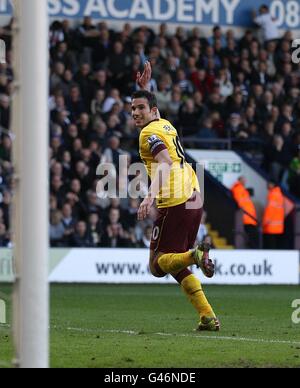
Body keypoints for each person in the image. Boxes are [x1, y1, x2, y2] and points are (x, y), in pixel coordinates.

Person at [132, 62, 220, 332]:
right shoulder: (164, 125)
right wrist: (144, 91)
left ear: (152, 111)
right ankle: (207, 316)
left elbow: (165, 162)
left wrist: (149, 197)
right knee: (176, 263)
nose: (135, 113)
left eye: (140, 108)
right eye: (133, 109)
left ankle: (196, 255)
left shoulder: (148, 133)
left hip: (175, 200)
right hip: (193, 195)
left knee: (158, 264)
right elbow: (155, 115)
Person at [231, 176, 259, 249]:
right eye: (244, 180)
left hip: (250, 218)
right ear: (239, 180)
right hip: (247, 218)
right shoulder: (238, 188)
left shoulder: (243, 190)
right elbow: (240, 202)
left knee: (254, 236)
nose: (245, 181)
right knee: (251, 237)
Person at [263, 181, 285, 249]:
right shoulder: (279, 194)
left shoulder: (273, 194)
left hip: (271, 227)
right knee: (276, 247)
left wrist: (264, 223)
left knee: (270, 247)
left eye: (268, 184)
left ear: (272, 185)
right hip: (278, 227)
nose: (267, 186)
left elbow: (270, 210)